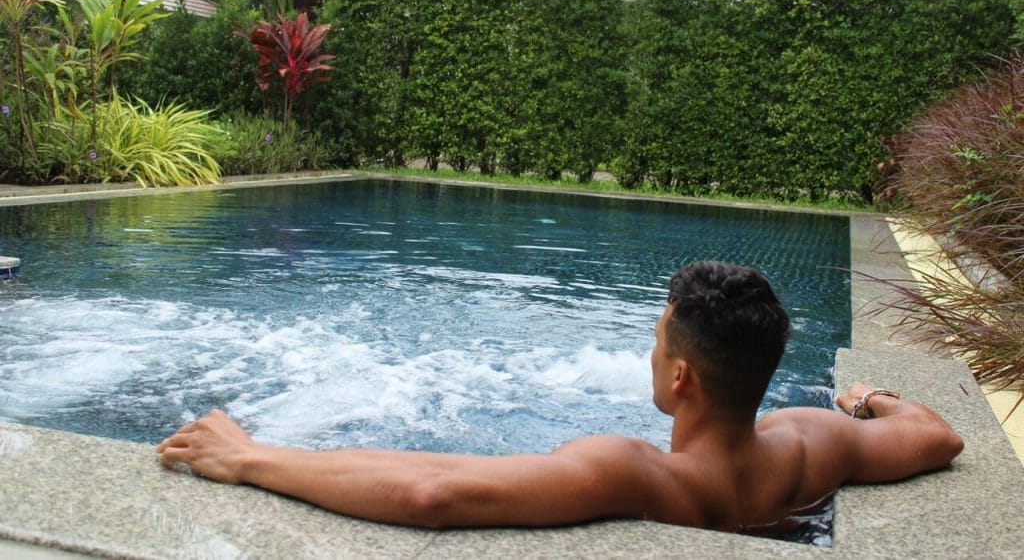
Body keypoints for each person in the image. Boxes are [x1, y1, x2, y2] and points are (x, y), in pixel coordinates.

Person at [156, 261, 963, 532]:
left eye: (656, 346)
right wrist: (867, 396)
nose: (651, 357)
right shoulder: (812, 441)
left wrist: (256, 455)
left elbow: (432, 490)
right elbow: (939, 436)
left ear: (680, 376)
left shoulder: (640, 473)